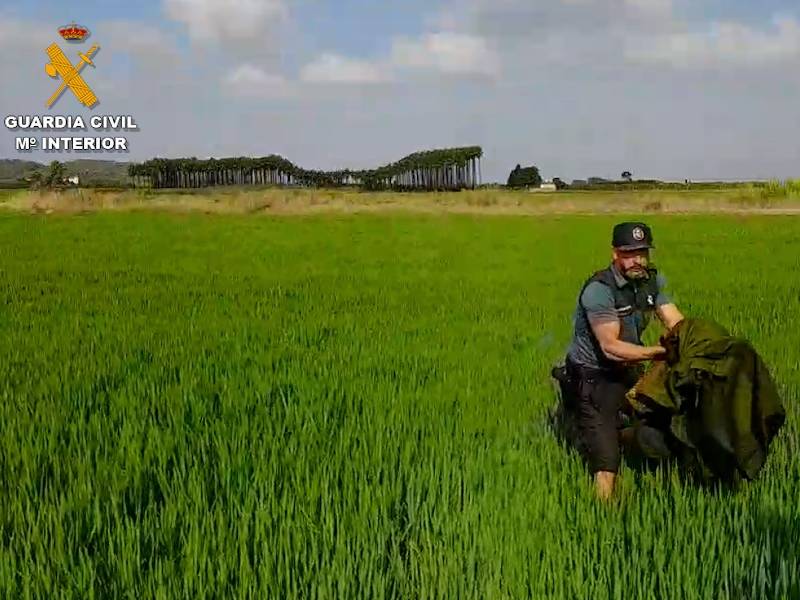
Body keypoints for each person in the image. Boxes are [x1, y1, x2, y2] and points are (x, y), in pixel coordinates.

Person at [558, 221, 685, 500]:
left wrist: (693, 342)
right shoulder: (599, 290)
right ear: (615, 254)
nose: (637, 260)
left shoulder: (650, 281)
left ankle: (642, 456)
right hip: (594, 377)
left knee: (665, 419)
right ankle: (602, 522)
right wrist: (659, 353)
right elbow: (611, 347)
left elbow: (675, 321)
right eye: (629, 253)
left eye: (642, 252)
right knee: (606, 461)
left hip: (628, 369)